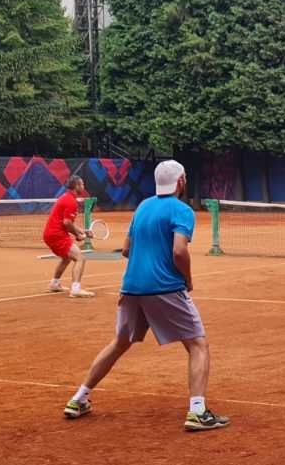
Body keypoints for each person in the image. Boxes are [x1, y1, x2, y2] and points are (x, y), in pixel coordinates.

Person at [64, 160, 229, 432]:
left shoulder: (142, 207)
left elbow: (127, 250)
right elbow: (179, 251)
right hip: (164, 287)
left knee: (119, 343)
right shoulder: (182, 210)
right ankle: (197, 411)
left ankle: (78, 398)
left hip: (131, 287)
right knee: (198, 345)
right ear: (181, 182)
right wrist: (187, 279)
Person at [43, 174, 94, 299]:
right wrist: (77, 234)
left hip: (51, 234)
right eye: (82, 184)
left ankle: (55, 284)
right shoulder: (71, 201)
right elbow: (67, 223)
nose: (83, 186)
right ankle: (76, 289)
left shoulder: (67, 198)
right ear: (76, 186)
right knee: (80, 258)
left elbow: (67, 222)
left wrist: (83, 231)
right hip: (56, 235)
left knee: (67, 258)